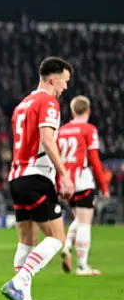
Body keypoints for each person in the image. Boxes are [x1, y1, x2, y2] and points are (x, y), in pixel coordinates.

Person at [1, 57, 74, 300]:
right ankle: (18, 284)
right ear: (53, 79)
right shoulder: (48, 101)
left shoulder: (22, 105)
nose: (65, 88)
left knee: (27, 240)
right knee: (56, 237)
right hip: (35, 177)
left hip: (16, 176)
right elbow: (46, 138)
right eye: (64, 82)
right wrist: (63, 174)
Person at [57, 96, 109, 276]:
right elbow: (94, 159)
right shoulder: (89, 129)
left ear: (72, 112)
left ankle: (67, 245)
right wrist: (104, 186)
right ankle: (82, 266)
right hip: (83, 179)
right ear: (88, 111)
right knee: (85, 222)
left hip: (66, 182)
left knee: (79, 219)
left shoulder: (61, 131)